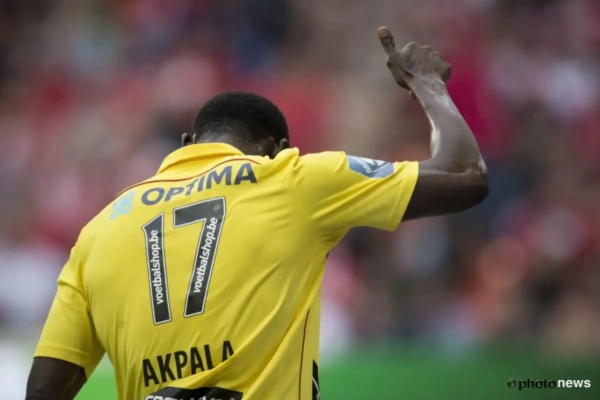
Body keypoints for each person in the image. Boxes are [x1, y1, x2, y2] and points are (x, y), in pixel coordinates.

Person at [26, 27, 488, 400]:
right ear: (279, 149)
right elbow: (465, 174)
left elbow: (45, 389)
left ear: (187, 145)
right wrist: (427, 83)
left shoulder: (98, 231)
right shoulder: (291, 178)